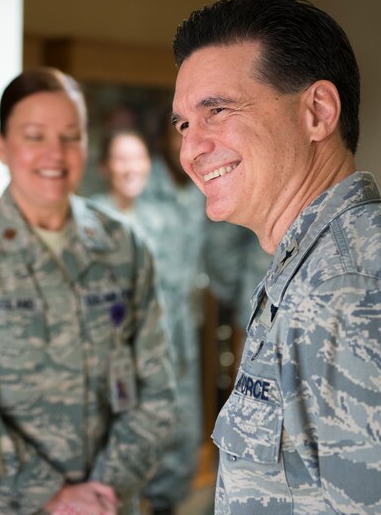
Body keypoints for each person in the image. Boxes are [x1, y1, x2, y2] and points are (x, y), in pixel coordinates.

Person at [171, 0, 381, 513]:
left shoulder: (351, 288)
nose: (191, 147)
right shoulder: (317, 262)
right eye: (184, 124)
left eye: (218, 110)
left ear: (318, 112)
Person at [0, 68, 176, 515]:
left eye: (72, 136)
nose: (56, 153)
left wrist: (105, 491)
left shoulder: (122, 247)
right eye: (35, 136)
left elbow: (156, 390)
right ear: (2, 146)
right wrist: (51, 494)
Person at [137, 110, 206, 515]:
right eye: (177, 131)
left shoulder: (200, 186)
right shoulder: (145, 189)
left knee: (186, 416)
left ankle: (173, 499)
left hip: (185, 321)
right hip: (151, 324)